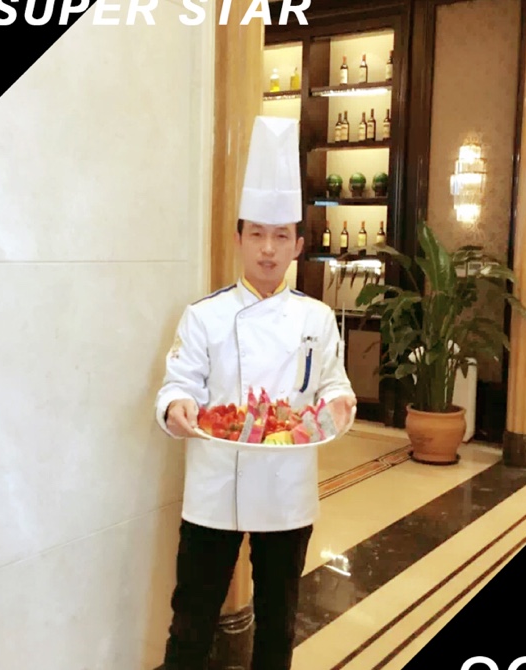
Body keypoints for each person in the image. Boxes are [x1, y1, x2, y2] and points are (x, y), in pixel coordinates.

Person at [155, 116, 356, 670]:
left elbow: (333, 383)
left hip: (287, 487)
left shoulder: (317, 318)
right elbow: (178, 383)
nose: (268, 250)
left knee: (278, 620)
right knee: (191, 618)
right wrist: (177, 407)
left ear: (299, 245)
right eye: (257, 235)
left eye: (281, 236)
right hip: (215, 482)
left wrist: (341, 402)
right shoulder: (204, 315)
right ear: (239, 238)